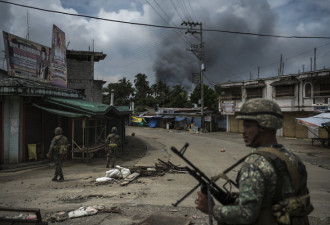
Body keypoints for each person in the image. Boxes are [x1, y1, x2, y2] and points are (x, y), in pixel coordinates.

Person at [195, 98, 313, 225]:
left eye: (247, 125)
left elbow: (246, 215)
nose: (243, 131)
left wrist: (213, 209)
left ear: (264, 125)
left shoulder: (254, 164)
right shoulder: (294, 159)